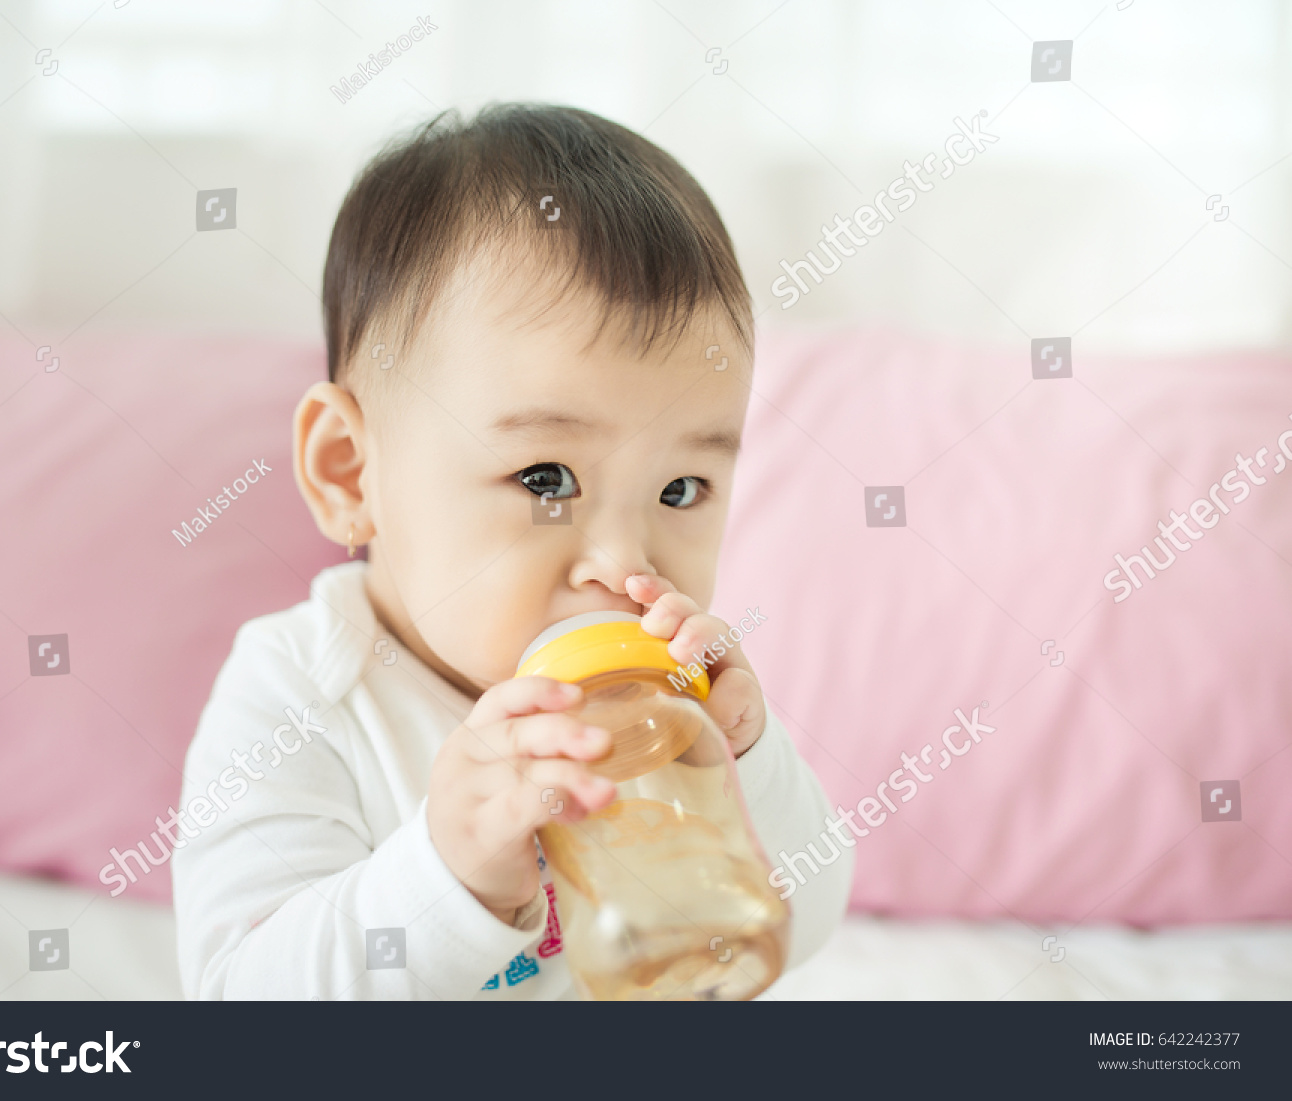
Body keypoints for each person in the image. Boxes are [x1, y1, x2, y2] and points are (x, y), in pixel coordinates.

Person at [173, 103, 851, 999]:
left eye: (680, 489)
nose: (622, 561)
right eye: (544, 479)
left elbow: (802, 923)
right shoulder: (304, 692)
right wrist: (447, 877)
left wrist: (745, 762)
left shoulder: (664, 710)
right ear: (350, 472)